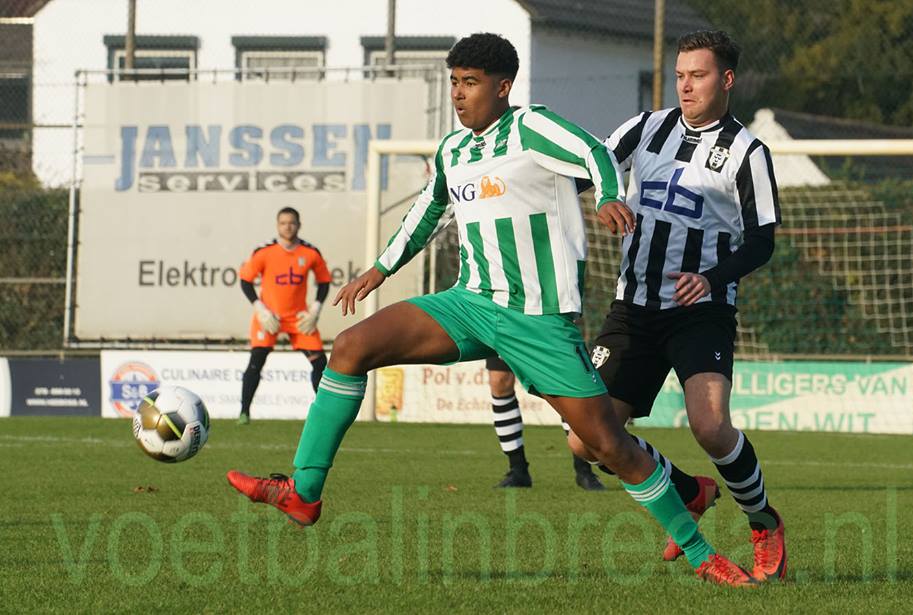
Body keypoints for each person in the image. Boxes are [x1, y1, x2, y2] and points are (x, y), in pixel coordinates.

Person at [226, 32, 755, 586]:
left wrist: (604, 195)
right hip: (471, 302)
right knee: (353, 346)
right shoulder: (452, 151)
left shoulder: (532, 127)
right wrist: (379, 269)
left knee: (606, 445)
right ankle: (304, 492)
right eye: (454, 82)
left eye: (470, 83)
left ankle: (701, 552)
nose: (458, 94)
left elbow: (594, 152)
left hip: (539, 319)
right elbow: (427, 212)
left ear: (503, 88)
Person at [570, 30, 786, 582]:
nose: (686, 86)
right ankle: (690, 490)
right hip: (633, 308)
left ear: (727, 79)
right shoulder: (645, 127)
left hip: (702, 309)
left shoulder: (747, 152)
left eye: (699, 75)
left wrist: (711, 278)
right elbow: (589, 169)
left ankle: (763, 522)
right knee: (587, 438)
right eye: (681, 75)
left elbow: (762, 240)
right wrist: (604, 195)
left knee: (711, 427)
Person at [237, 207, 332, 424]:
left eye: (291, 222)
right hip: (269, 317)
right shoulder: (264, 252)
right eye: (283, 223)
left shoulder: (310, 253)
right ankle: (244, 412)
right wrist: (260, 308)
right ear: (277, 226)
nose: (287, 226)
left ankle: (324, 414)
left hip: (299, 319)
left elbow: (324, 281)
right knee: (256, 361)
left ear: (299, 225)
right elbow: (245, 280)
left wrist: (315, 309)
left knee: (320, 364)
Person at [486, 356, 604, 490]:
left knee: (566, 384)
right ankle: (517, 470)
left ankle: (584, 470)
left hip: (548, 335)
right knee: (499, 381)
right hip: (505, 334)